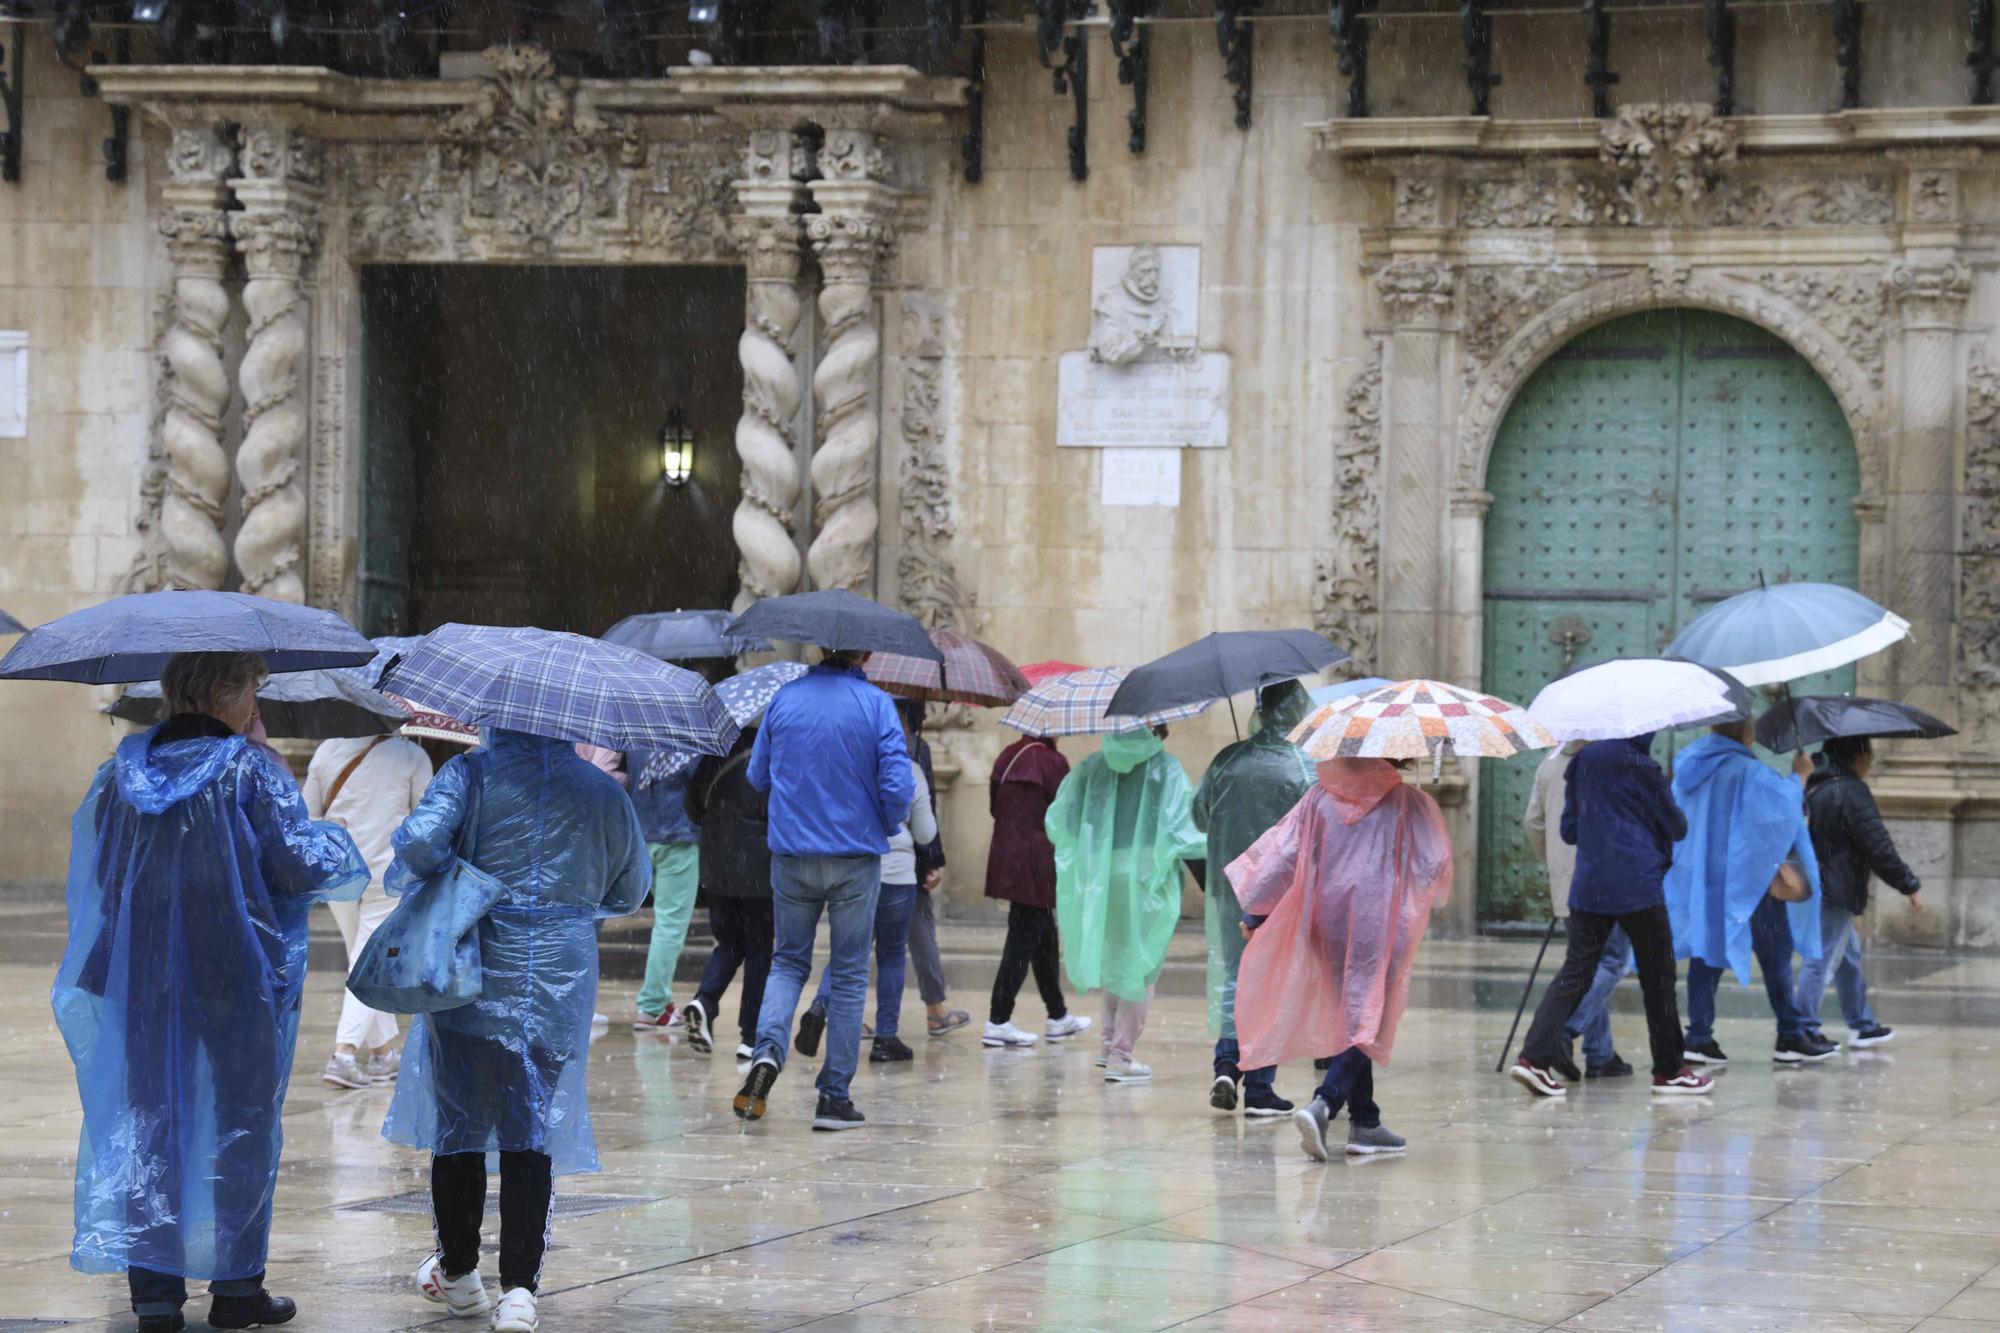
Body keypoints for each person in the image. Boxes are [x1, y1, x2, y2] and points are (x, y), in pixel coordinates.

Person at [56, 651, 367, 1331]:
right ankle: (234, 1288)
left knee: (153, 1120)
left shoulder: (120, 775)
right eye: (252, 692)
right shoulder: (250, 771)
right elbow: (294, 867)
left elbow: (106, 876)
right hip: (233, 969)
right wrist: (334, 838)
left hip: (144, 977)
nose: (256, 707)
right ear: (227, 698)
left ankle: (156, 1293)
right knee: (242, 1121)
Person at [386, 728, 649, 1333]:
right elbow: (631, 888)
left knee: (460, 1129)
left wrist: (465, 876)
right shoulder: (601, 792)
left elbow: (420, 842)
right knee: (529, 1130)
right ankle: (520, 1292)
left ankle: (458, 1272)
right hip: (558, 979)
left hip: (471, 972)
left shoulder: (469, 775)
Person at [1226, 757, 1452, 1159]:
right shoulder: (1407, 802)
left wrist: (1256, 911)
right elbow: (1433, 864)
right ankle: (1324, 1104)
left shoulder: (1320, 797)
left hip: (1326, 920)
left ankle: (1366, 1121)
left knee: (1351, 1016)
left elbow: (1283, 856)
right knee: (1369, 1017)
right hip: (1381, 920)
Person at [733, 649, 914, 1130]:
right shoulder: (877, 704)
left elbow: (757, 776)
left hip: (792, 855)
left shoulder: (784, 699)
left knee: (788, 961)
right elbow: (898, 785)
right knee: (851, 973)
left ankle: (766, 1055)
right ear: (866, 653)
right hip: (855, 857)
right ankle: (833, 1096)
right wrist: (884, 820)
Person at [1511, 732, 1712, 1098]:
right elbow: (1676, 826)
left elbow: (1569, 830)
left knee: (1576, 970)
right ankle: (1669, 1068)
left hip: (1589, 884)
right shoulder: (1643, 766)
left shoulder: (1581, 762)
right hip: (1637, 885)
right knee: (1658, 976)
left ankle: (1533, 1058)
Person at [1047, 724, 1206, 1083]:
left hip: (1102, 877)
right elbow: (1187, 831)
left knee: (1116, 958)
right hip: (1149, 876)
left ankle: (1107, 1046)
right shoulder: (1166, 769)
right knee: (1142, 966)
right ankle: (1122, 1054)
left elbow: (1061, 818)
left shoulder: (1092, 766)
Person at [1668, 718, 1830, 1066]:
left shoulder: (1689, 765)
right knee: (1775, 954)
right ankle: (1790, 1033)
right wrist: (1800, 775)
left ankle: (1698, 1036)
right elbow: (1780, 810)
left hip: (1708, 876)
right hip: (1749, 878)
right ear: (1745, 732)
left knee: (1706, 953)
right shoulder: (1747, 769)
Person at [1190, 680, 1315, 1116]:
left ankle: (1226, 1065)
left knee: (1234, 976)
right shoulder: (1302, 766)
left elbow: (1199, 815)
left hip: (1229, 888)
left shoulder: (1227, 760)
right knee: (1270, 984)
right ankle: (1260, 1089)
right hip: (1278, 894)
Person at [799, 703, 937, 1063]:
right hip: (897, 875)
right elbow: (925, 833)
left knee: (847, 951)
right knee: (891, 957)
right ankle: (885, 1038)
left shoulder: (850, 767)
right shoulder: (910, 771)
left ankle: (819, 1007)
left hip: (853, 870)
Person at [304, 730, 433, 1089]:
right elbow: (428, 822)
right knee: (369, 961)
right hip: (387, 873)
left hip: (338, 872)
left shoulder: (327, 748)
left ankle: (381, 1053)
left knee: (359, 957)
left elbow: (309, 815)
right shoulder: (410, 756)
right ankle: (344, 1053)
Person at [1796, 735, 1919, 1048]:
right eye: (1870, 752)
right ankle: (1800, 1029)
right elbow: (1877, 844)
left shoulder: (1813, 784)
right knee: (1820, 958)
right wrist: (1908, 885)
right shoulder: (1850, 790)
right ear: (1857, 755)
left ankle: (1861, 1023)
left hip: (1815, 883)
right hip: (1836, 886)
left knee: (1847, 953)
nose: (1872, 760)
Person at [1523, 738, 1634, 1079]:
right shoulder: (1608, 763)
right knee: (1612, 959)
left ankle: (1600, 1052)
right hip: (1604, 880)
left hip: (1566, 883)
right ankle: (1564, 1028)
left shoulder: (1550, 762)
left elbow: (1533, 823)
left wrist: (1556, 863)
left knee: (1587, 962)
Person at [982, 731, 1091, 1049]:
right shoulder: (1053, 761)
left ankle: (1058, 1016)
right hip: (1038, 860)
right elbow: (1068, 813)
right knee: (1023, 936)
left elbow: (994, 806)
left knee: (1042, 931)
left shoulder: (1008, 754)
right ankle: (998, 1019)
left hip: (1008, 854)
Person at [683, 724, 773, 1061]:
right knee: (760, 949)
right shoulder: (773, 755)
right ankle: (750, 1037)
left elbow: (692, 807)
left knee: (730, 942)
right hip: (760, 871)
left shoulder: (715, 751)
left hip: (717, 868)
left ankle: (704, 1001)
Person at [900, 699, 972, 1038]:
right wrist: (930, 861)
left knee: (858, 943)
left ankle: (825, 1006)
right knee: (921, 933)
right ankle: (936, 1009)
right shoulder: (916, 750)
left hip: (865, 861)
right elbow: (924, 811)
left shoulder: (864, 745)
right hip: (906, 862)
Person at [627, 745, 702, 1034]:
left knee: (664, 922)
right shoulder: (688, 736)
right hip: (677, 836)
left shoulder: (641, 730)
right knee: (670, 925)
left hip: (642, 832)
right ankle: (652, 1006)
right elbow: (699, 784)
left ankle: (661, 998)